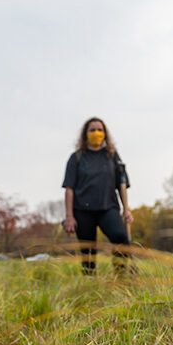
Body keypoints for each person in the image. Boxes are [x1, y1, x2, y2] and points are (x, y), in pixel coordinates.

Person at [62, 117, 133, 275]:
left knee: (120, 237)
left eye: (100, 130)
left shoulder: (112, 156)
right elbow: (69, 188)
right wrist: (69, 216)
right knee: (88, 251)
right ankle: (89, 283)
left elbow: (122, 184)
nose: (96, 133)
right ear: (85, 134)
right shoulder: (77, 158)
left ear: (105, 134)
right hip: (82, 210)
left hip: (108, 208)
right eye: (92, 130)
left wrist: (126, 209)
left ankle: (120, 276)